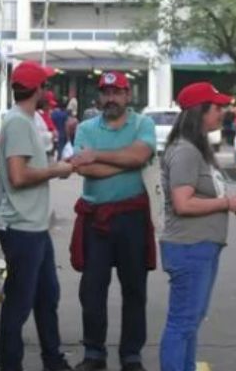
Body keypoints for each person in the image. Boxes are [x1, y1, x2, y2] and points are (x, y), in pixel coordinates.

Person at [158, 82, 236, 371]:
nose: (222, 112)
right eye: (217, 107)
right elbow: (183, 204)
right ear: (201, 112)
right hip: (189, 247)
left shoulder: (194, 148)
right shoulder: (186, 151)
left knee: (190, 321)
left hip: (199, 246)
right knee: (183, 323)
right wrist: (227, 204)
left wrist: (231, 201)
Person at [69, 71, 156, 371]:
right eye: (106, 93)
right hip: (97, 220)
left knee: (134, 289)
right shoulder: (85, 128)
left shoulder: (143, 124)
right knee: (92, 290)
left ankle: (131, 354)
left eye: (117, 92)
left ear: (128, 95)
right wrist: (128, 162)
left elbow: (140, 155)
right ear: (99, 96)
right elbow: (84, 170)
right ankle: (94, 353)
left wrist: (98, 156)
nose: (111, 99)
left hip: (133, 218)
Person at [0, 61, 75, 371]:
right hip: (21, 226)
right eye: (46, 85)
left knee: (47, 296)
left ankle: (53, 359)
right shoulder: (18, 122)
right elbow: (18, 176)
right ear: (37, 90)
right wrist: (56, 170)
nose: (49, 90)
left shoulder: (27, 120)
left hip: (34, 226)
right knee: (19, 303)